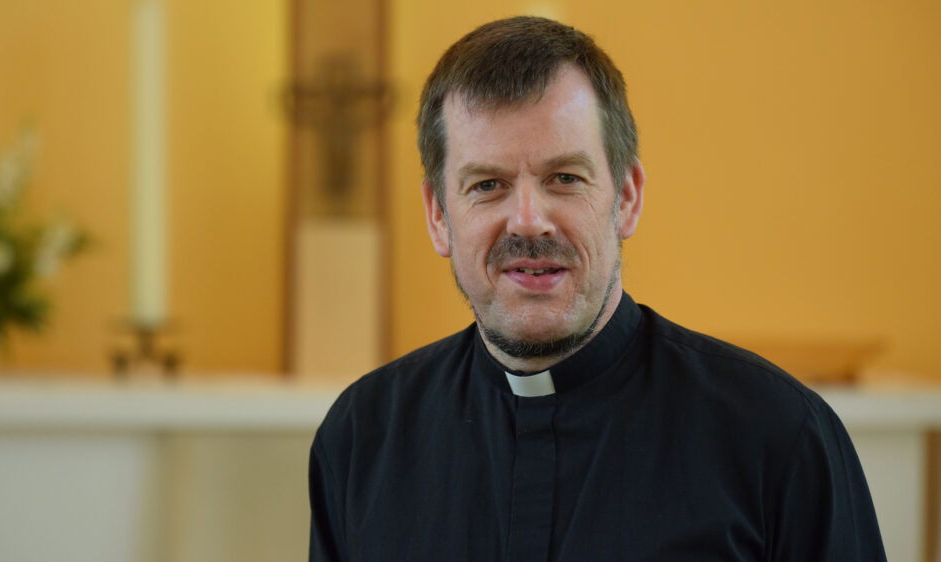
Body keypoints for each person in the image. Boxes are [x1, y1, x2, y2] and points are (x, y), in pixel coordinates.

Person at [309, 16, 886, 562]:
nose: (529, 220)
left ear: (627, 197)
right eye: (488, 184)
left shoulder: (779, 437)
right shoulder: (361, 439)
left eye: (565, 178)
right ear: (438, 215)